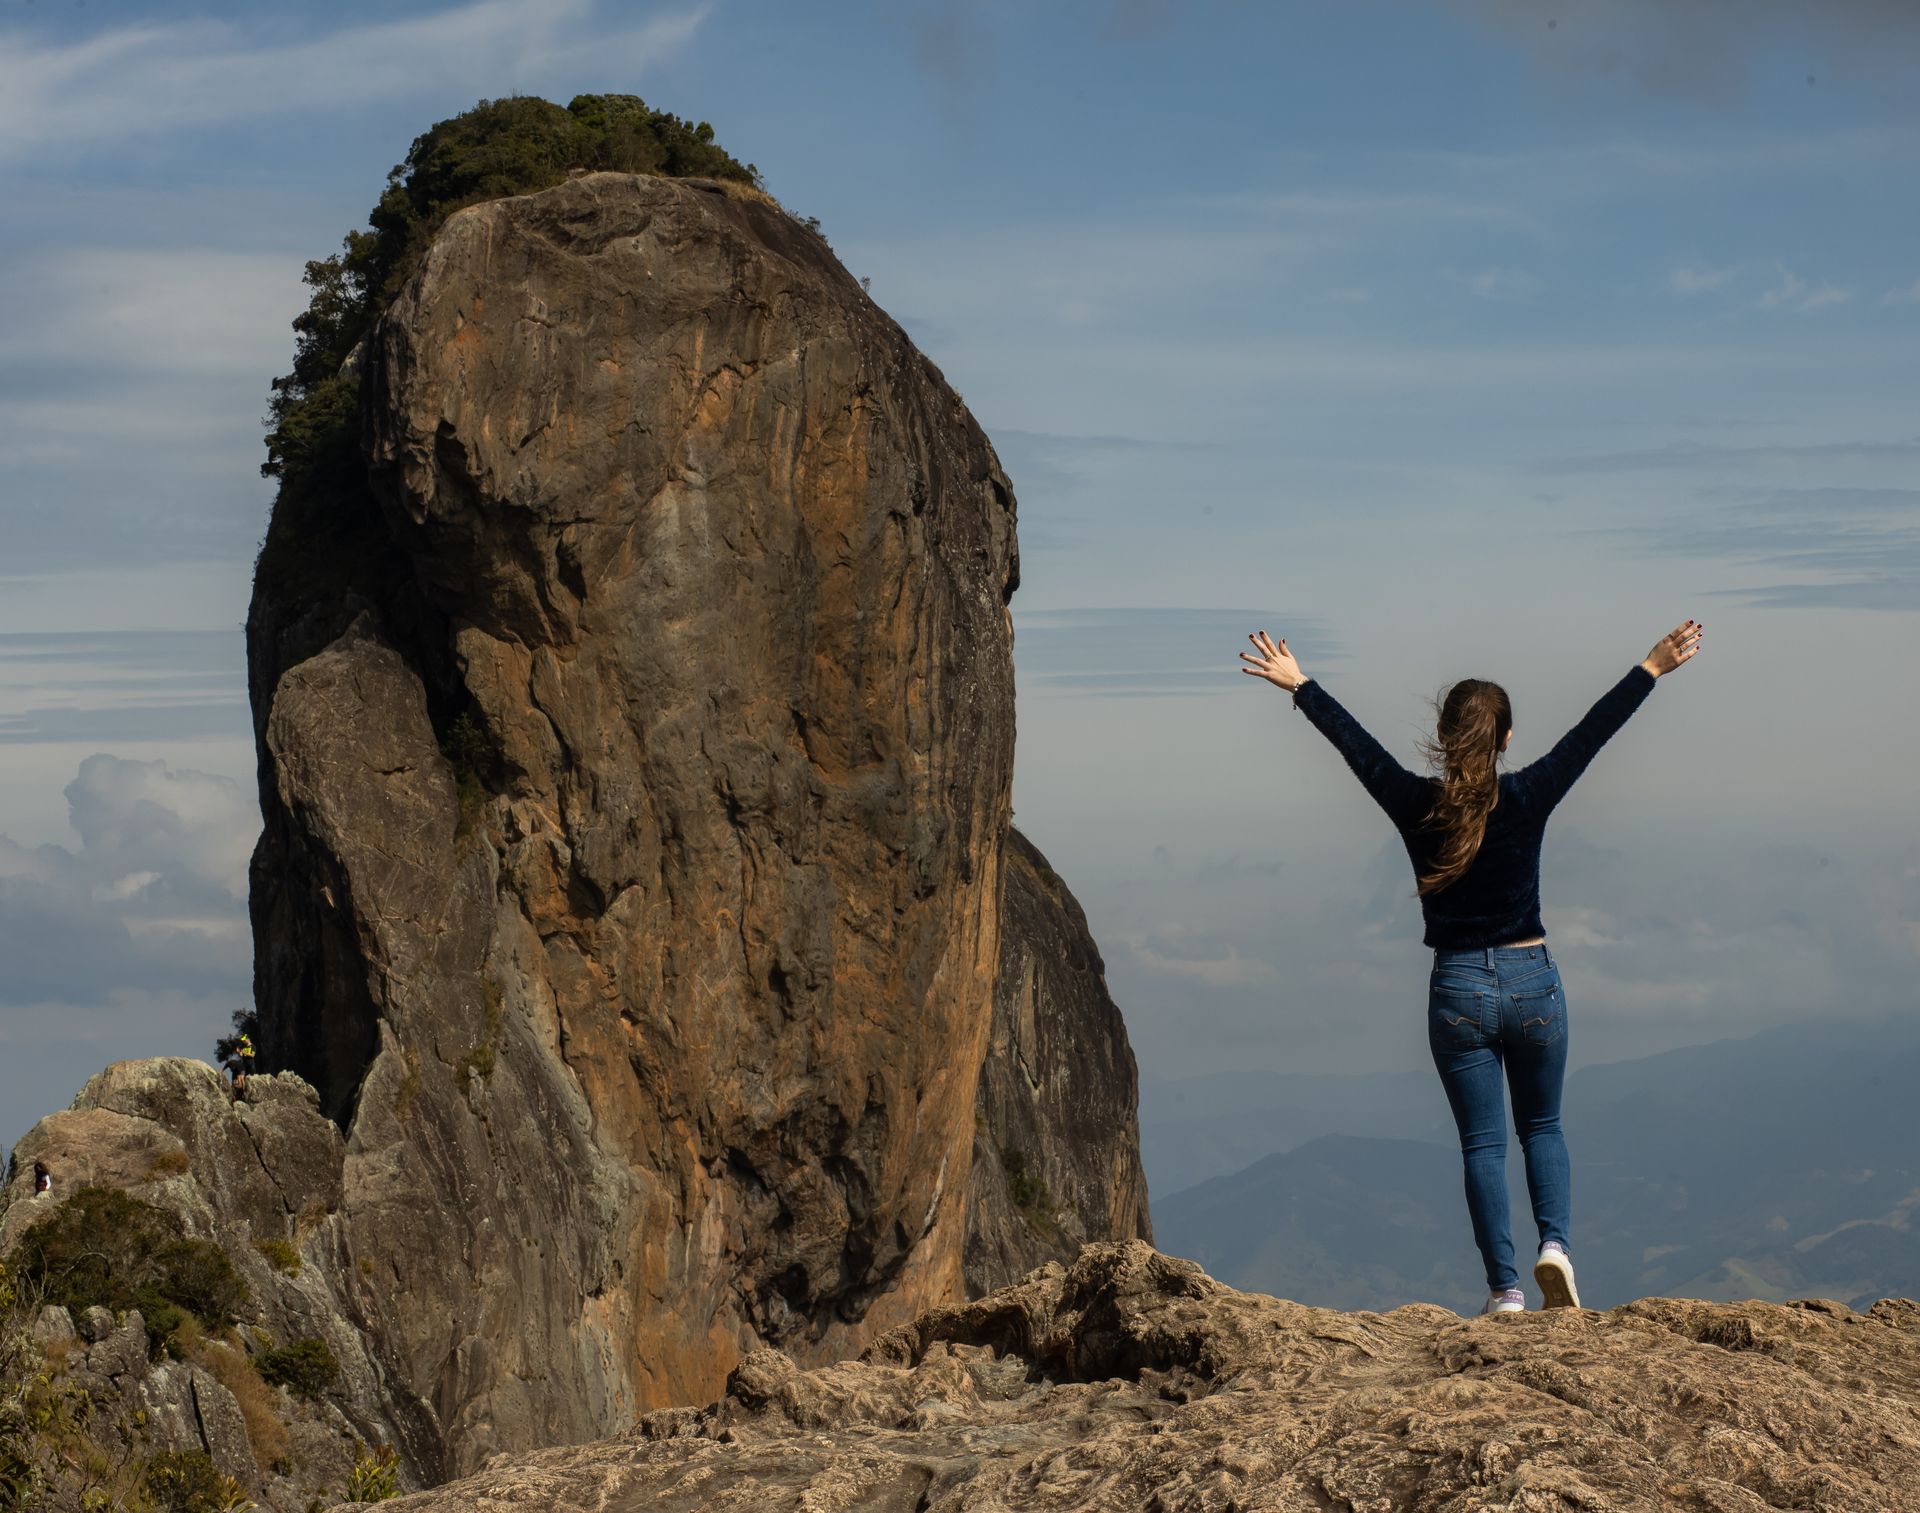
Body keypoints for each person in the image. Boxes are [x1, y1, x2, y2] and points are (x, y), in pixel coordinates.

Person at [1239, 619, 1705, 1316]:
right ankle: (1556, 1247)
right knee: (1542, 1126)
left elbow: (1358, 749)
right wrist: (1651, 665)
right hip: (1531, 978)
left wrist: (1301, 684)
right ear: (1505, 739)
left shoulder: (1416, 804)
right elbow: (1590, 734)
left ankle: (1507, 1290)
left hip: (1457, 987)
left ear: (1446, 737)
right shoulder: (1528, 794)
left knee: (1483, 1143)